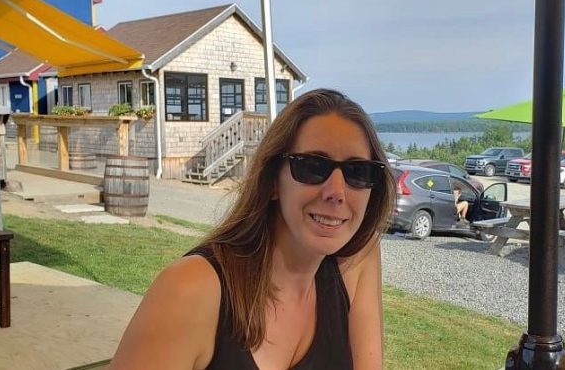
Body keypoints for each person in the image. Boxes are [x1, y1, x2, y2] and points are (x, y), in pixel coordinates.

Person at [108, 89, 395, 370]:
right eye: (312, 166)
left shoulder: (357, 258)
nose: (337, 192)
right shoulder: (191, 290)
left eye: (358, 172)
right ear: (272, 181)